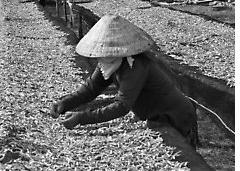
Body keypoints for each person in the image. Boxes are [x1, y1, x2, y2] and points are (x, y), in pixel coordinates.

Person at [50, 14, 199, 148]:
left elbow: (122, 106)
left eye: (105, 49)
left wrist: (82, 118)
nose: (99, 55)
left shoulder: (135, 66)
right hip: (154, 114)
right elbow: (91, 89)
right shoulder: (109, 63)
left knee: (181, 152)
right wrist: (64, 104)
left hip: (175, 114)